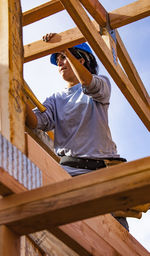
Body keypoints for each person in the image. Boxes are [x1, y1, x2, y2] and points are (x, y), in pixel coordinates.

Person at [26, 33, 129, 231]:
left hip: (103, 173)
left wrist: (64, 46)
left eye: (63, 58)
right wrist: (12, 83)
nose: (59, 63)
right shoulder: (55, 99)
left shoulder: (101, 83)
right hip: (69, 173)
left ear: (80, 59)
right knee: (64, 231)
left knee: (117, 233)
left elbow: (89, 84)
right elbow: (36, 121)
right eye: (57, 60)